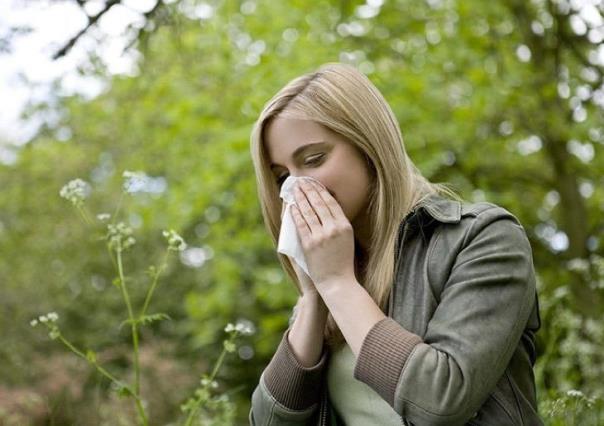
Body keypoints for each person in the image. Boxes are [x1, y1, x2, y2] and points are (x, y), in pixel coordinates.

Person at [247, 62, 542, 425]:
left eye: (314, 159)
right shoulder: (332, 272)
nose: (295, 190)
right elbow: (268, 422)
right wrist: (313, 299)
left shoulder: (483, 239)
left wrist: (338, 284)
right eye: (282, 177)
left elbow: (439, 403)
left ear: (369, 146)